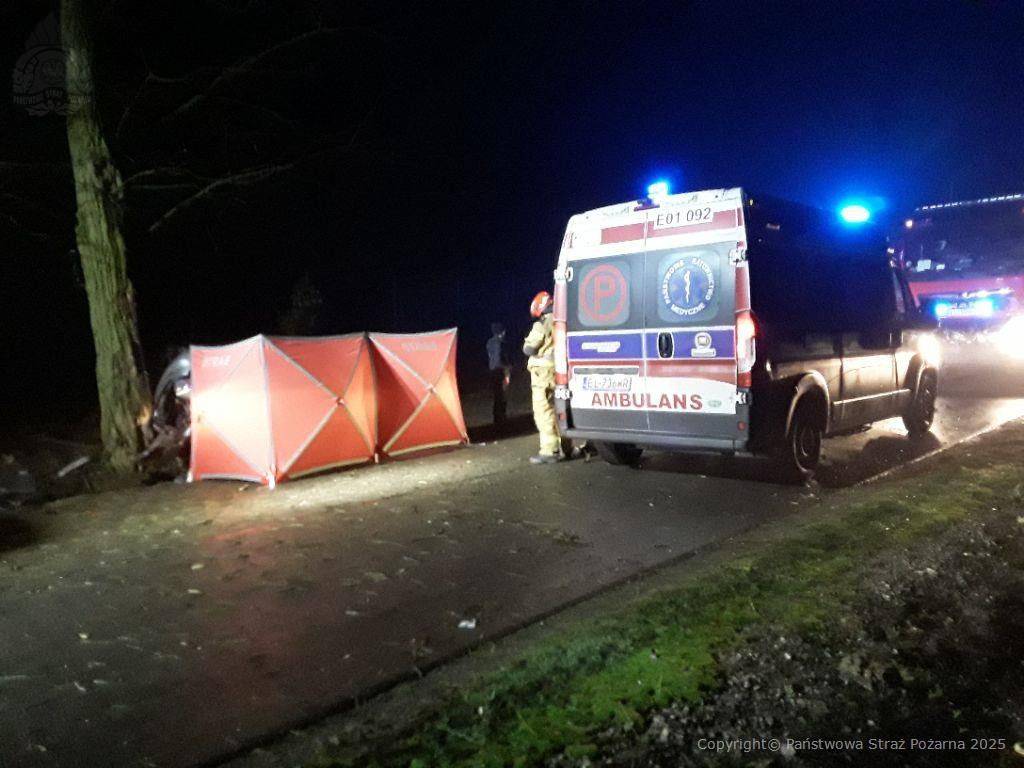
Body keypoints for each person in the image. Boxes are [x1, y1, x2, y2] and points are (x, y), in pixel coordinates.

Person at [522, 291, 570, 464]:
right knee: (560, 410)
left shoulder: (542, 324)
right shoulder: (561, 320)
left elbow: (529, 349)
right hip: (559, 371)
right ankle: (566, 447)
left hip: (542, 374)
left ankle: (550, 451)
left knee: (544, 412)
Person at [486, 322, 510, 425]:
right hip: (500, 371)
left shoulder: (489, 342)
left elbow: (490, 357)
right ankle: (502, 418)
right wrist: (507, 372)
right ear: (502, 332)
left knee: (497, 395)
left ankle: (496, 418)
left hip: (492, 371)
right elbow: (501, 358)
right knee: (502, 395)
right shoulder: (501, 343)